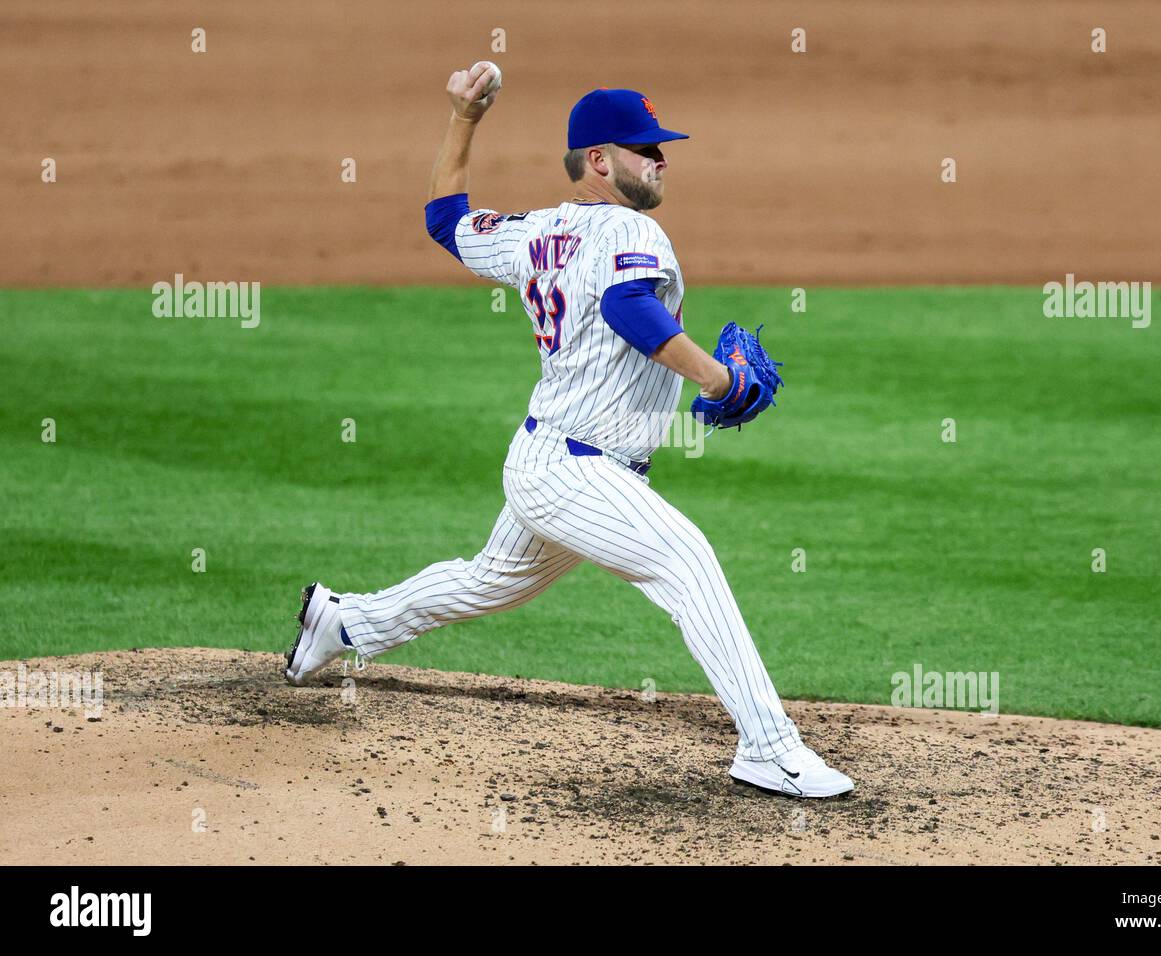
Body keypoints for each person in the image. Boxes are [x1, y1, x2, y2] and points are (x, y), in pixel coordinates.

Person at [285, 64, 853, 798]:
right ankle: (769, 748)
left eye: (661, 147)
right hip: (576, 471)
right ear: (598, 161)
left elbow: (444, 220)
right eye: (644, 148)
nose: (660, 159)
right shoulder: (628, 226)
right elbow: (629, 308)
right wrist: (713, 376)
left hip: (549, 457)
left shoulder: (534, 232)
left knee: (492, 581)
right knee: (686, 560)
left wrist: (464, 117)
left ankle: (343, 622)